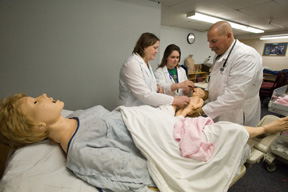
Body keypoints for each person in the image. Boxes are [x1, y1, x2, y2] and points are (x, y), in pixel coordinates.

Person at [1, 93, 288, 192]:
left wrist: (170, 116)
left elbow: (122, 117)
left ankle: (184, 115)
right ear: (38, 126)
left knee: (194, 118)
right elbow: (139, 170)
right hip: (160, 142)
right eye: (36, 101)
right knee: (224, 131)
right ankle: (262, 130)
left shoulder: (76, 114)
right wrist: (170, 142)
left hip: (151, 123)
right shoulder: (80, 152)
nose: (44, 94)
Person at [198, 21, 263, 126]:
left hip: (237, 112)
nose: (210, 46)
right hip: (219, 109)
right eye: (209, 42)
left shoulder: (245, 56)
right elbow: (215, 79)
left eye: (214, 41)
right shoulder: (219, 55)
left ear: (228, 36)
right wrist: (206, 93)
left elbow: (235, 95)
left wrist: (201, 111)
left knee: (236, 139)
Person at [118, 32, 190, 107]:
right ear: (144, 46)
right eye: (154, 48)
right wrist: (174, 100)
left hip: (145, 109)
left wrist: (156, 87)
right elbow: (144, 94)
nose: (157, 51)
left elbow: (148, 86)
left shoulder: (147, 65)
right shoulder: (132, 63)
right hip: (132, 110)